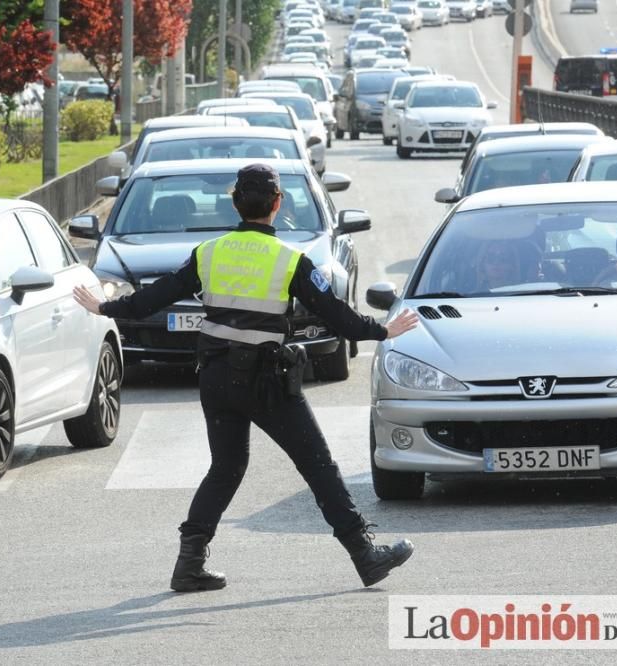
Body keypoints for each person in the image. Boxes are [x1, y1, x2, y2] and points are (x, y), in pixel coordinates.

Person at [73, 164, 421, 592]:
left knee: (226, 468)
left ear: (235, 203)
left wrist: (104, 308)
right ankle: (364, 555)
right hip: (267, 382)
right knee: (319, 467)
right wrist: (381, 330)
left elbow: (153, 297)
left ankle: (189, 564)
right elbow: (340, 319)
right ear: (277, 204)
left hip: (216, 378)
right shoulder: (291, 260)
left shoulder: (209, 252)